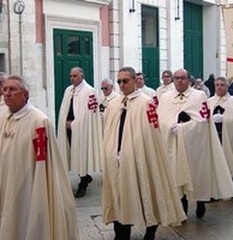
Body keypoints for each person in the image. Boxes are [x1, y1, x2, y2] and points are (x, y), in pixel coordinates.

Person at [102, 67, 186, 240]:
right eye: (119, 81)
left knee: (144, 193)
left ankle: (150, 230)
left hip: (139, 158)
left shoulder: (146, 103)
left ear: (134, 81)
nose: (122, 84)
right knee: (119, 196)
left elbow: (150, 135)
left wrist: (133, 151)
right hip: (117, 161)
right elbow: (109, 132)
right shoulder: (114, 104)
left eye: (125, 81)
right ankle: (121, 232)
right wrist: (112, 152)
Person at [0, 75, 79, 240]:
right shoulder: (2, 117)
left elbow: (44, 163)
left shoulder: (39, 121)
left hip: (29, 184)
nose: (7, 93)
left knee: (23, 223)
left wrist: (39, 189)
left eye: (13, 89)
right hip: (5, 181)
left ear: (26, 95)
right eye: (5, 89)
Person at [157, 68, 233, 219]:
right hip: (173, 143)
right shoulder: (166, 97)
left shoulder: (198, 96)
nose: (179, 81)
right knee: (175, 173)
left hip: (194, 144)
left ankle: (200, 200)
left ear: (189, 80)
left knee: (196, 173)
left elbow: (203, 120)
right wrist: (170, 126)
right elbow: (161, 119)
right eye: (176, 78)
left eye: (182, 78)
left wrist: (184, 128)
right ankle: (182, 203)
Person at [58, 67, 102, 198]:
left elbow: (90, 113)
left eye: (75, 76)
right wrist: (63, 123)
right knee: (71, 153)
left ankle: (83, 184)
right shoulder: (68, 90)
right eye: (71, 76)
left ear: (81, 76)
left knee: (81, 154)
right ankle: (86, 177)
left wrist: (74, 124)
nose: (72, 78)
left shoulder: (89, 91)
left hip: (82, 129)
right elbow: (64, 109)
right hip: (67, 127)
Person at [208, 76, 233, 193]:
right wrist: (212, 119)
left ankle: (232, 187)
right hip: (214, 136)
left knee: (229, 159)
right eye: (217, 85)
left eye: (222, 85)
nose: (219, 87)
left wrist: (225, 119)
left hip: (229, 135)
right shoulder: (209, 102)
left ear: (227, 86)